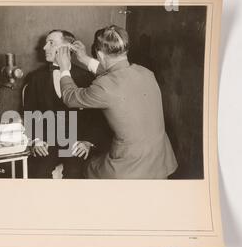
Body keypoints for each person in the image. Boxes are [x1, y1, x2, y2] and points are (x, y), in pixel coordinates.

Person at [56, 25, 178, 179]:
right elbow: (116, 74)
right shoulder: (145, 72)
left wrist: (64, 68)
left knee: (87, 167)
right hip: (160, 161)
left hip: (130, 166)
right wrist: (84, 58)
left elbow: (70, 97)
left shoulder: (104, 86)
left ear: (100, 54)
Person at [24, 29, 111, 179]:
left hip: (76, 142)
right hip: (47, 142)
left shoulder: (87, 77)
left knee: (76, 174)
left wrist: (88, 142)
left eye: (51, 43)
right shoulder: (35, 78)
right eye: (46, 43)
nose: (45, 47)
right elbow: (30, 112)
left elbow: (97, 117)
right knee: (37, 173)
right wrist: (36, 140)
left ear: (68, 48)